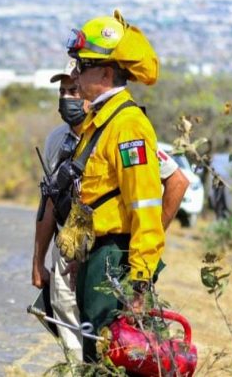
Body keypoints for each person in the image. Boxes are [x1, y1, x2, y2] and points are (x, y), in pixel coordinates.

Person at [32, 59, 188, 365]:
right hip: (77, 251)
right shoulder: (59, 140)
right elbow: (51, 202)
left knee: (116, 349)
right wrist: (42, 259)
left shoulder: (122, 126)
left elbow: (170, 185)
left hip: (113, 255)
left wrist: (141, 251)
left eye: (74, 88)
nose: (67, 98)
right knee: (81, 344)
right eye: (63, 90)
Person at [57, 10, 167, 363]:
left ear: (105, 73)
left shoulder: (127, 125)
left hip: (116, 261)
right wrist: (79, 256)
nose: (74, 74)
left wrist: (138, 282)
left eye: (81, 66)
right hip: (97, 256)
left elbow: (146, 207)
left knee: (113, 360)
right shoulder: (100, 121)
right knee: (96, 358)